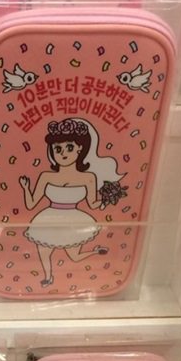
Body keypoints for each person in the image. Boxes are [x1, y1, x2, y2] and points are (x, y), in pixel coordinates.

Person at [19, 118, 124, 286]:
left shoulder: (88, 178)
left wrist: (106, 199)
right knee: (44, 250)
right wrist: (25, 188)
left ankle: (96, 251)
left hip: (74, 219)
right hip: (48, 217)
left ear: (80, 148)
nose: (63, 153)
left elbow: (92, 204)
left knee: (74, 256)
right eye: (57, 149)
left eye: (69, 147)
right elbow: (31, 204)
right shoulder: (46, 176)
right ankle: (48, 277)